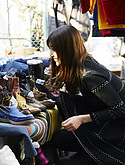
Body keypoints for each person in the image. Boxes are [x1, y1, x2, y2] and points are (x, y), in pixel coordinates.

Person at [47, 25, 125, 164]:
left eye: (54, 49)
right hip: (109, 125)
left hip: (118, 132)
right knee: (59, 139)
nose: (52, 54)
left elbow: (120, 109)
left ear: (67, 50)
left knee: (63, 158)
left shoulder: (90, 75)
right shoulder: (83, 64)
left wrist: (82, 119)